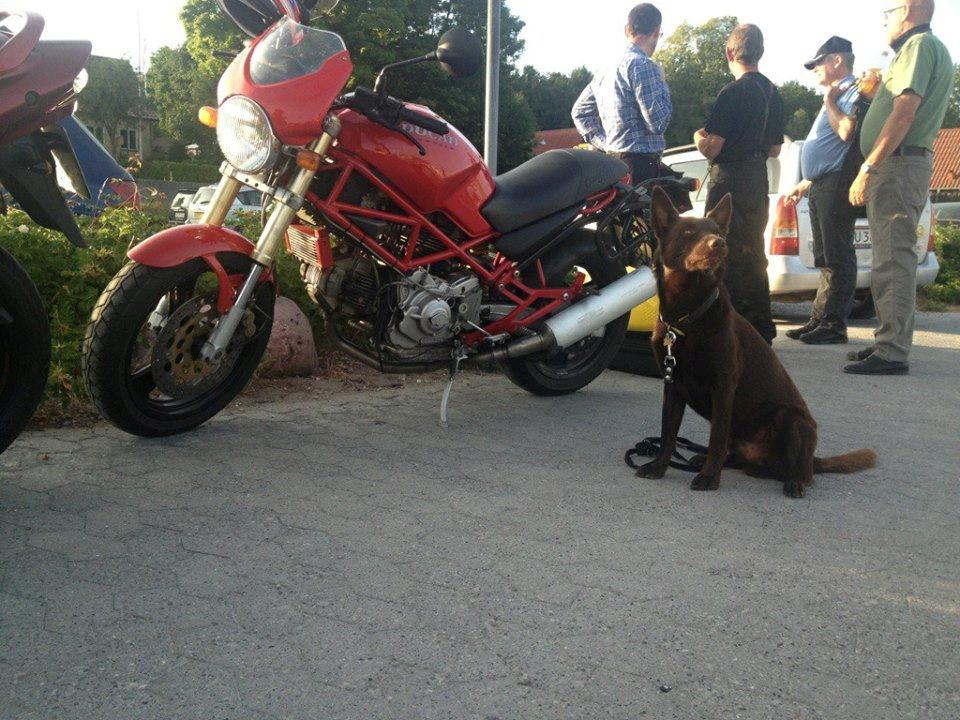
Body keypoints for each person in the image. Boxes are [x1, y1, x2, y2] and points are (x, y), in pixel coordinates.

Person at [845, 0, 954, 375]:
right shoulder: (921, 49)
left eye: (887, 12)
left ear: (907, 9)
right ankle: (886, 341)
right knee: (890, 256)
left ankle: (891, 351)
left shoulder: (918, 47)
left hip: (898, 164)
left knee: (893, 258)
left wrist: (869, 165)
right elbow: (900, 105)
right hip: (902, 163)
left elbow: (905, 112)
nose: (885, 20)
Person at [694, 24, 785, 344]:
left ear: (729, 53)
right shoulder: (774, 92)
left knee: (720, 250)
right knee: (754, 250)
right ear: (759, 53)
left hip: (728, 177)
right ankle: (761, 325)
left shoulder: (731, 93)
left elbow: (712, 147)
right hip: (757, 176)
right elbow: (775, 149)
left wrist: (697, 139)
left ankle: (726, 325)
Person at [784, 37, 861, 345]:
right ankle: (819, 319)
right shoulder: (835, 92)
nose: (815, 69)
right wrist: (806, 182)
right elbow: (827, 147)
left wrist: (830, 102)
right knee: (826, 255)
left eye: (819, 62)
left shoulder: (852, 91)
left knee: (838, 253)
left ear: (837, 61)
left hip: (837, 181)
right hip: (822, 183)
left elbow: (846, 132)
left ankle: (835, 325)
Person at [571, 3, 672, 184]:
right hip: (642, 167)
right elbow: (658, 123)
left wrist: (606, 143)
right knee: (648, 212)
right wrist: (663, 83)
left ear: (627, 30)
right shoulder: (644, 65)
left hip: (614, 165)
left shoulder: (605, 70)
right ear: (657, 31)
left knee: (620, 213)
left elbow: (579, 112)